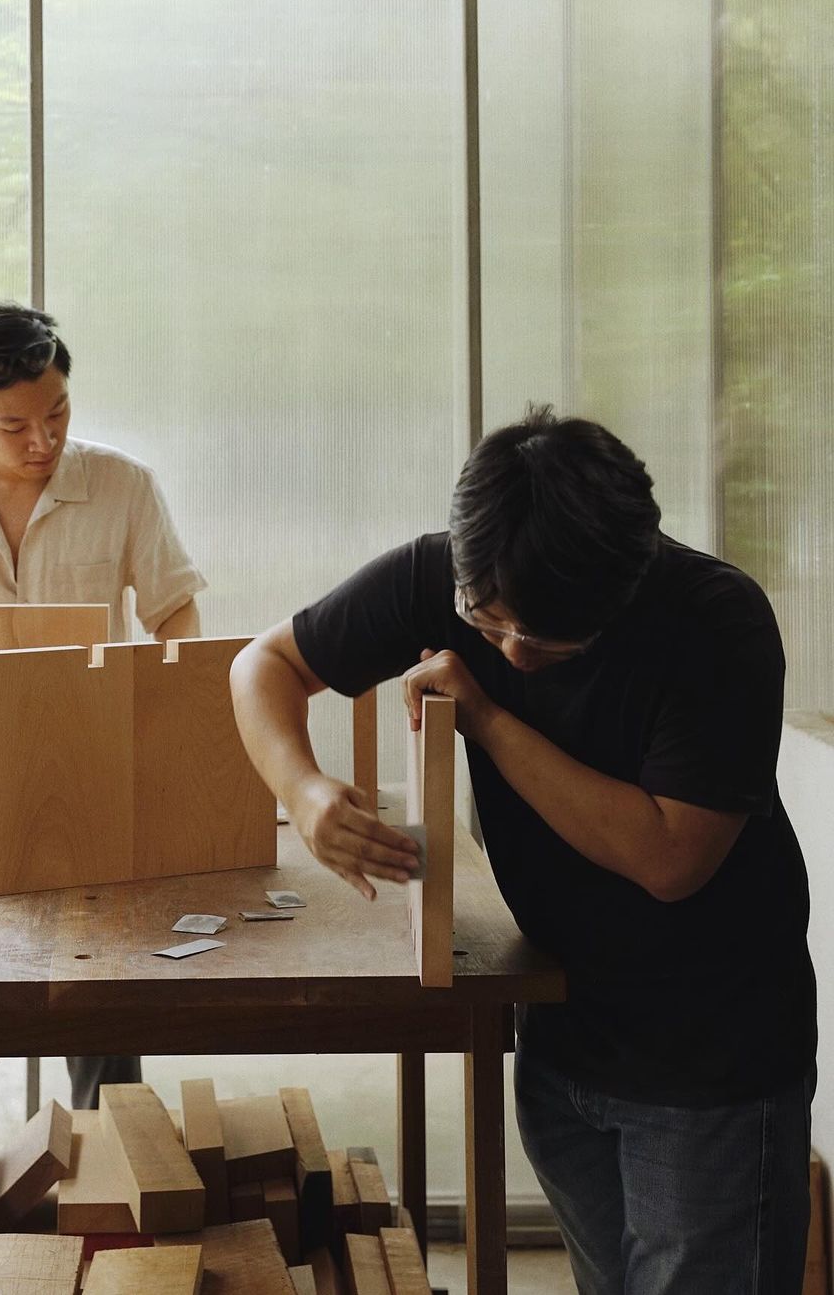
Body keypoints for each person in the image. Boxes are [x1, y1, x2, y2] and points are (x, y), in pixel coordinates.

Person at [229, 406, 816, 1295]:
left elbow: (669, 857)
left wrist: (489, 718)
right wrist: (305, 793)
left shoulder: (716, 623)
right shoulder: (450, 571)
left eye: (544, 640)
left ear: (624, 582)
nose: (509, 647)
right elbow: (264, 665)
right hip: (563, 1031)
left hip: (710, 1059)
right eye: (488, 620)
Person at [0, 302, 206, 1128]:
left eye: (57, 414)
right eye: (15, 425)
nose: (42, 441)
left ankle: (117, 1216)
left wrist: (165, 731)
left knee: (103, 1019)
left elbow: (176, 619)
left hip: (98, 781)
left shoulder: (123, 485)